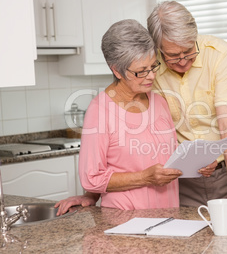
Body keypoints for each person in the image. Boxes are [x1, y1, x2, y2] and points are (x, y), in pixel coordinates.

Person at [56, 1, 227, 215]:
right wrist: (91, 194)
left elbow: (223, 129)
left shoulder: (210, 59)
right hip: (156, 201)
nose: (182, 61)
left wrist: (214, 175)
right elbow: (102, 163)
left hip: (204, 185)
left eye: (188, 51)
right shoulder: (113, 99)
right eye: (172, 56)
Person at [57, 19, 184, 213]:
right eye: (141, 71)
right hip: (124, 222)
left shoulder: (159, 102)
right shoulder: (100, 111)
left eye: (153, 66)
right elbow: (92, 177)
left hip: (169, 216)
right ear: (116, 70)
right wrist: (145, 177)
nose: (151, 76)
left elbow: (167, 156)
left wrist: (196, 162)